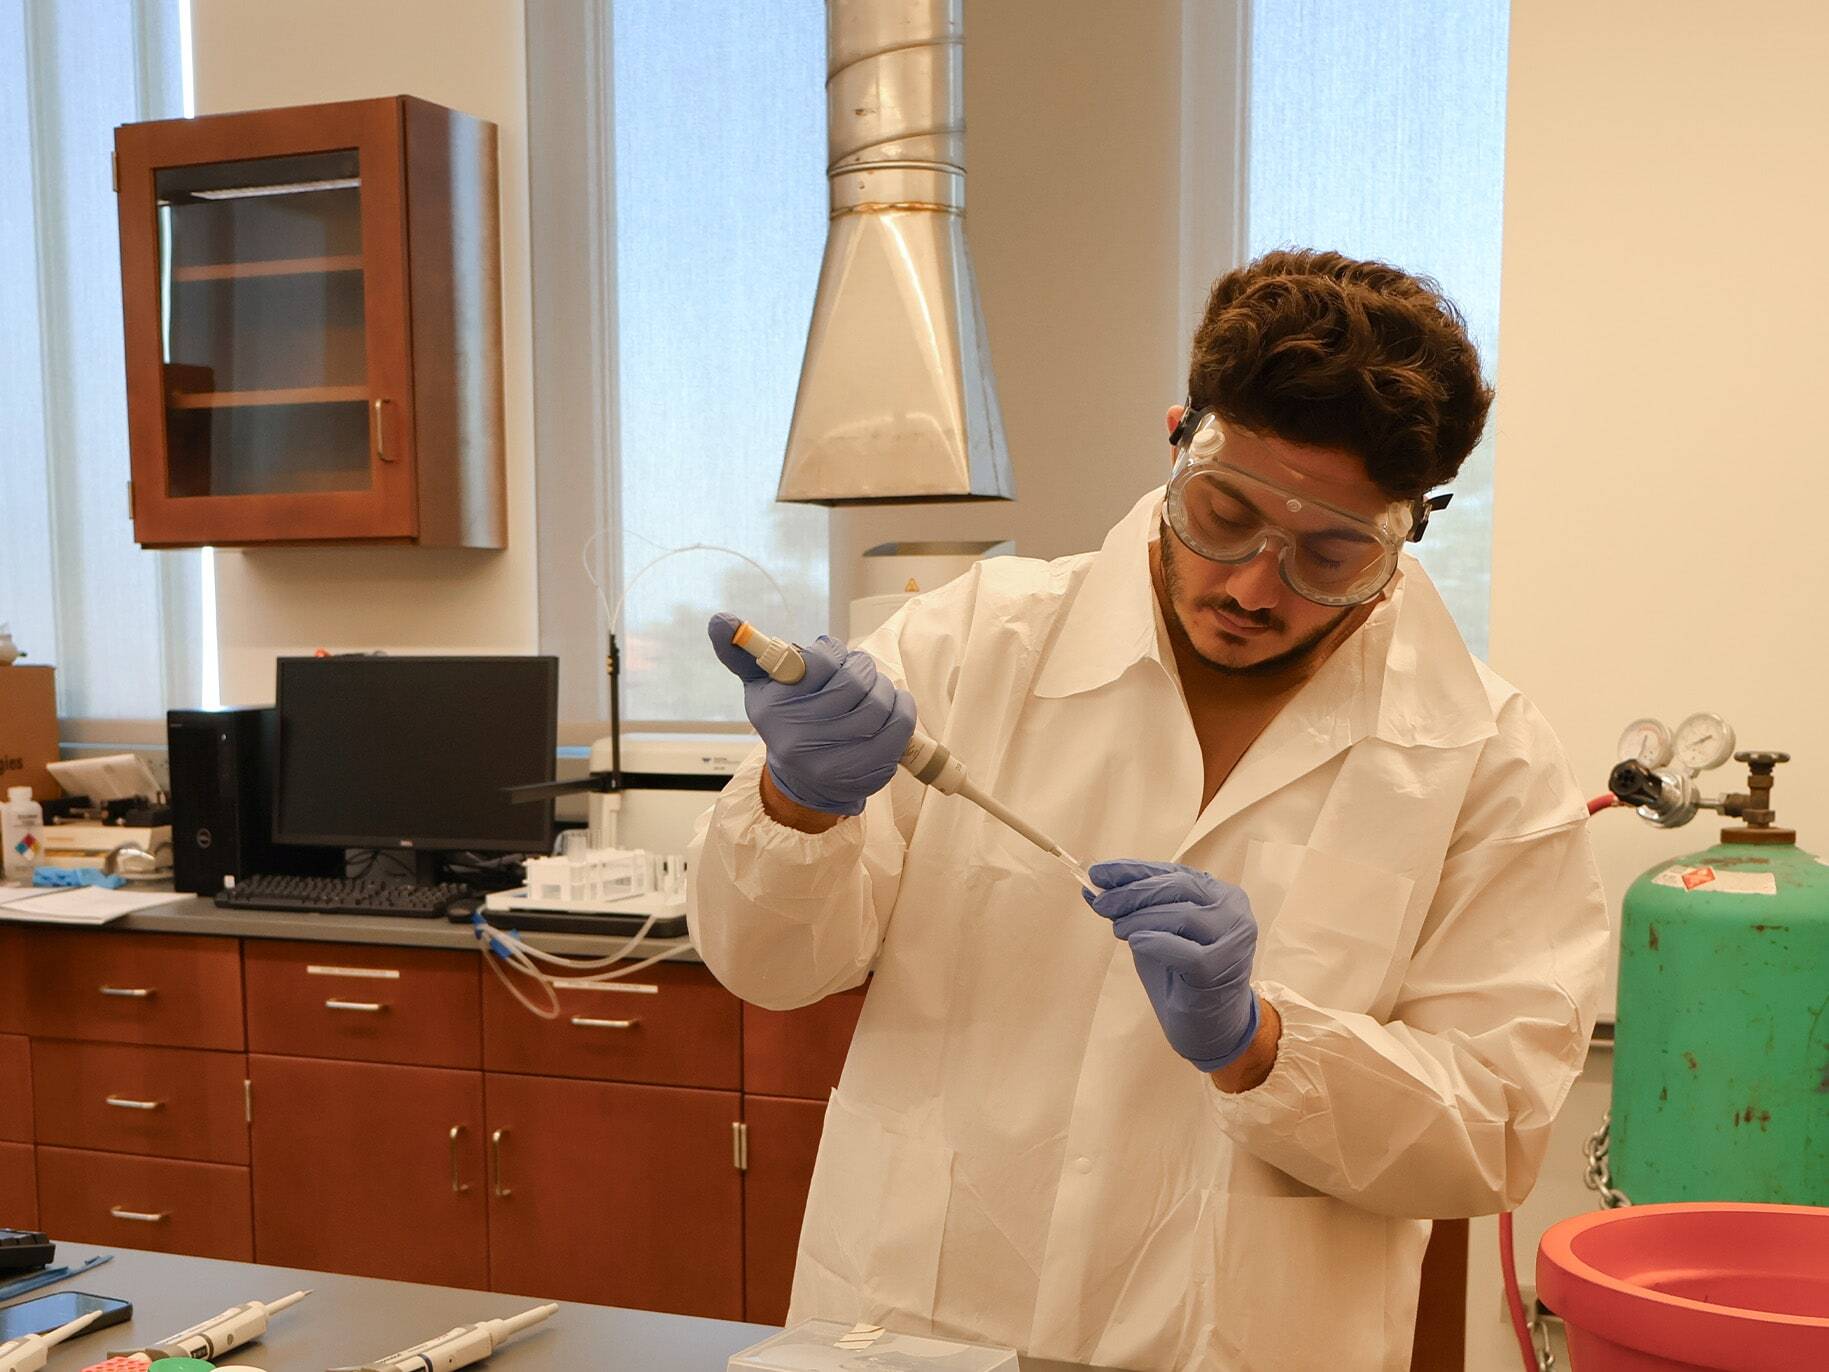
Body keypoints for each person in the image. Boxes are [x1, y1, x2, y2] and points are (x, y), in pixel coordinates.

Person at [687, 249, 1609, 1371]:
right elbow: (767, 966)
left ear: (1408, 532)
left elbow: (1494, 1128)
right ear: (1179, 437)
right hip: (920, 1327)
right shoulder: (976, 641)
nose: (1252, 586)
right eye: (1223, 515)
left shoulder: (1485, 761)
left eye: (1329, 554)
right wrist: (798, 804)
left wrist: (1261, 1046)